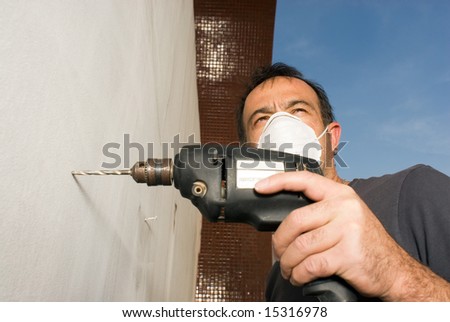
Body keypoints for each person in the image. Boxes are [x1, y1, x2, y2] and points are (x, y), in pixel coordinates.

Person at [236, 62, 450, 301]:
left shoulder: (415, 192)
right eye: (262, 119)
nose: (282, 126)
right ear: (247, 154)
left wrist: (397, 275)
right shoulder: (279, 277)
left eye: (298, 110)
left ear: (332, 137)